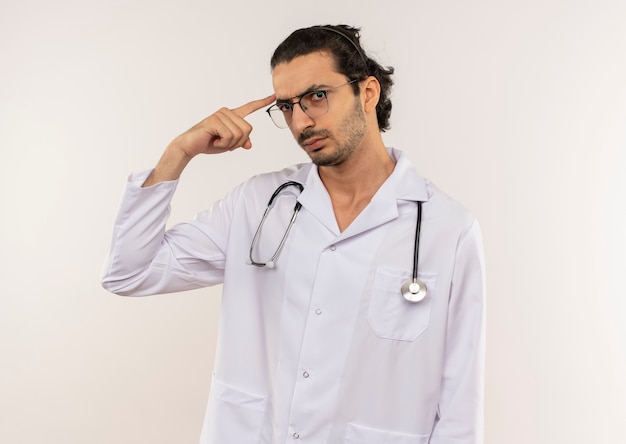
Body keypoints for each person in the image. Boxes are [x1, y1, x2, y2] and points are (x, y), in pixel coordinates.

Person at [102, 24, 486, 444]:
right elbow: (129, 273)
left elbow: (460, 403)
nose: (301, 121)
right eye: (286, 106)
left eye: (317, 96)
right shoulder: (259, 205)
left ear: (368, 92)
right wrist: (179, 152)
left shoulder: (447, 231)